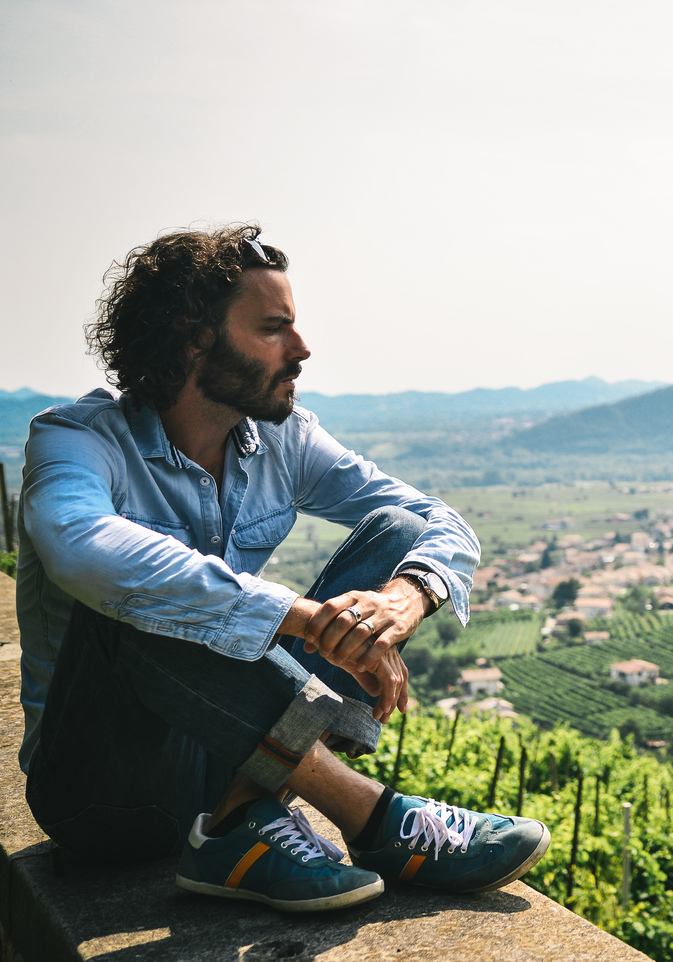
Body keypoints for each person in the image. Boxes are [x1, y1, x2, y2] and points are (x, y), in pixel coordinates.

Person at [14, 224, 548, 912]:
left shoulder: (280, 437)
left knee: (401, 534)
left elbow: (434, 519)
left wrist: (404, 600)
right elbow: (81, 547)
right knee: (131, 589)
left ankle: (238, 823)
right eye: (274, 329)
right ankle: (376, 819)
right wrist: (305, 620)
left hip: (236, 753)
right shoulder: (75, 440)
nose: (302, 350)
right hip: (107, 797)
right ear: (192, 339)